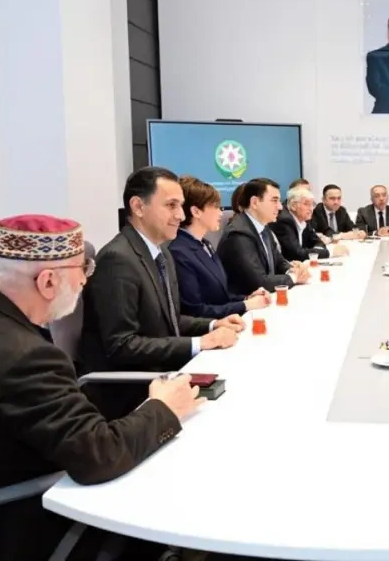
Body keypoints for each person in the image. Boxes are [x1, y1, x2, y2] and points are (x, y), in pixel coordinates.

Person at [0, 215, 204, 561]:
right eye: (83, 268)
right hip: (7, 529)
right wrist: (164, 407)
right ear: (48, 281)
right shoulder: (25, 358)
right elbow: (100, 457)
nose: (85, 279)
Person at [81, 168, 244, 415]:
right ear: (138, 206)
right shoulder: (118, 259)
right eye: (171, 205)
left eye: (181, 205)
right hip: (132, 391)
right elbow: (122, 346)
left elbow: (169, 319)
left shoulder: (161, 252)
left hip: (163, 374)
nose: (181, 215)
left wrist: (212, 324)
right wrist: (200, 343)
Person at [169, 175, 272, 319]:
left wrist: (246, 298)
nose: (221, 212)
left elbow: (221, 296)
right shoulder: (179, 252)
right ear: (196, 212)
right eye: (216, 207)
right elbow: (195, 311)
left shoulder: (205, 244)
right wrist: (245, 305)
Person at [218, 177, 311, 293]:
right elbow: (259, 282)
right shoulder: (238, 234)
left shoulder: (262, 225)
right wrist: (294, 277)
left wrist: (292, 269)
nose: (280, 207)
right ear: (254, 202)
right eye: (274, 200)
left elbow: (278, 261)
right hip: (246, 301)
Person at [270, 186, 349, 261]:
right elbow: (297, 254)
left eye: (312, 204)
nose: (311, 209)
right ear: (293, 206)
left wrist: (317, 251)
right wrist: (331, 252)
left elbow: (317, 241)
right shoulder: (284, 221)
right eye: (306, 204)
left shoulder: (303, 218)